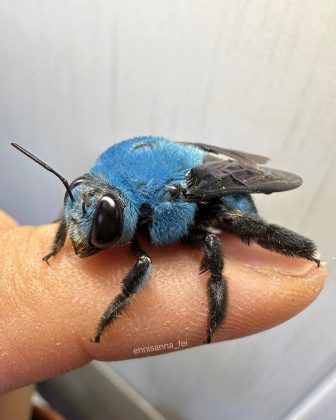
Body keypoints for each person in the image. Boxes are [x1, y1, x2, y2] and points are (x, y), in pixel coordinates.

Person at [0, 209, 326, 417]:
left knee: (221, 232)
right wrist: (58, 244)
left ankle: (301, 255)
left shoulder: (157, 206)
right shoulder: (109, 201)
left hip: (199, 198)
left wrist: (107, 318)